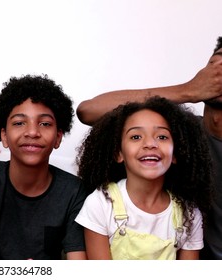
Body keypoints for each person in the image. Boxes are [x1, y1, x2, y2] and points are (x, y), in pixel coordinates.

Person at [76, 37, 222, 259]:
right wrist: (189, 90)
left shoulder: (188, 215)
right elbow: (89, 110)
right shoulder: (184, 138)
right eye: (216, 65)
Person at [0, 74, 87, 260]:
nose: (32, 132)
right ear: (4, 136)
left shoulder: (74, 192)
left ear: (58, 137)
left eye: (45, 124)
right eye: (19, 123)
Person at [75, 96, 212, 259]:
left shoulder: (189, 214)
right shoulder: (100, 204)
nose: (150, 144)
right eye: (136, 137)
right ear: (119, 153)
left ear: (176, 153)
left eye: (162, 137)